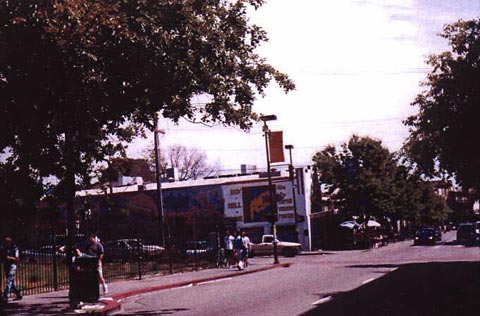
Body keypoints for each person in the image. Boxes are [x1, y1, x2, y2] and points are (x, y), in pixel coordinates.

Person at [1, 237, 22, 303]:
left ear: (10, 243)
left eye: (7, 243)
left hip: (12, 266)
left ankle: (5, 296)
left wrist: (9, 257)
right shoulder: (4, 249)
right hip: (6, 265)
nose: (6, 244)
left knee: (8, 281)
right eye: (5, 243)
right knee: (11, 282)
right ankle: (18, 294)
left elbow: (17, 259)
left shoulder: (15, 249)